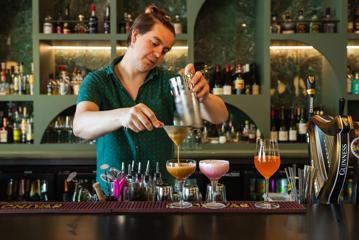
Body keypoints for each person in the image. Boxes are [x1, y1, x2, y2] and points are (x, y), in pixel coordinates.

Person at [73, 5, 228, 194]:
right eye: (154, 43)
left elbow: (219, 116)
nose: (158, 55)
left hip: (161, 196)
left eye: (165, 50)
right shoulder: (98, 81)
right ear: (135, 36)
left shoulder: (169, 82)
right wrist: (122, 116)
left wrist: (204, 96)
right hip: (112, 198)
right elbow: (80, 126)